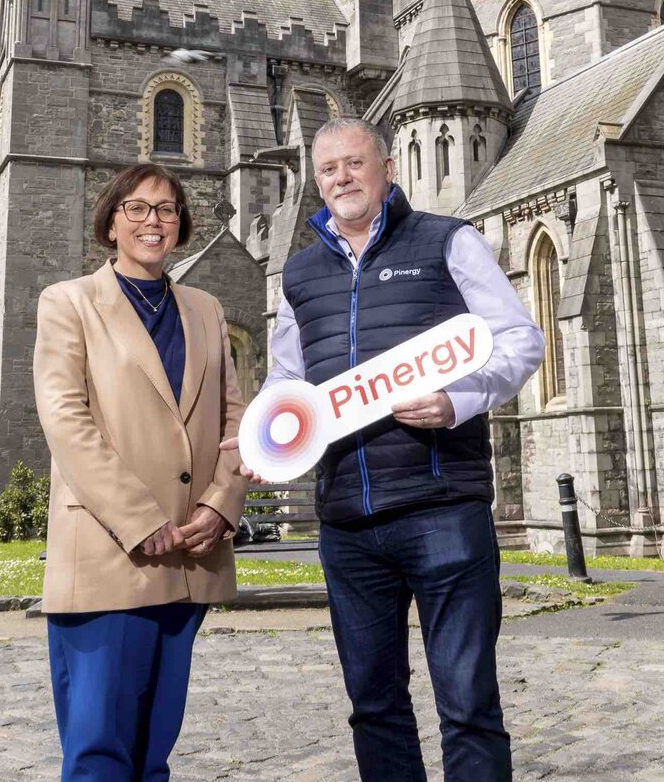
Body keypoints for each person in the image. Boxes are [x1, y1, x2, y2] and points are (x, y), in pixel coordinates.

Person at [224, 118, 543, 782]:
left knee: (468, 705)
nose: (342, 177)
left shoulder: (448, 241)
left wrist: (457, 399)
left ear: (387, 167)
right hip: (347, 525)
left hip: (442, 511)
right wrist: (266, 436)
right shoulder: (301, 272)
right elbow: (289, 380)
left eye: (354, 163)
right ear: (317, 181)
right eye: (329, 169)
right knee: (374, 706)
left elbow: (518, 340)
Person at [35, 162, 246, 781]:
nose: (153, 220)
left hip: (190, 553)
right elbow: (65, 420)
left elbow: (236, 414)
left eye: (167, 209)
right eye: (138, 208)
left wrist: (220, 503)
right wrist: (138, 517)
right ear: (111, 222)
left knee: (155, 752)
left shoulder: (205, 308)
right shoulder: (69, 303)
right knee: (100, 750)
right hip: (111, 554)